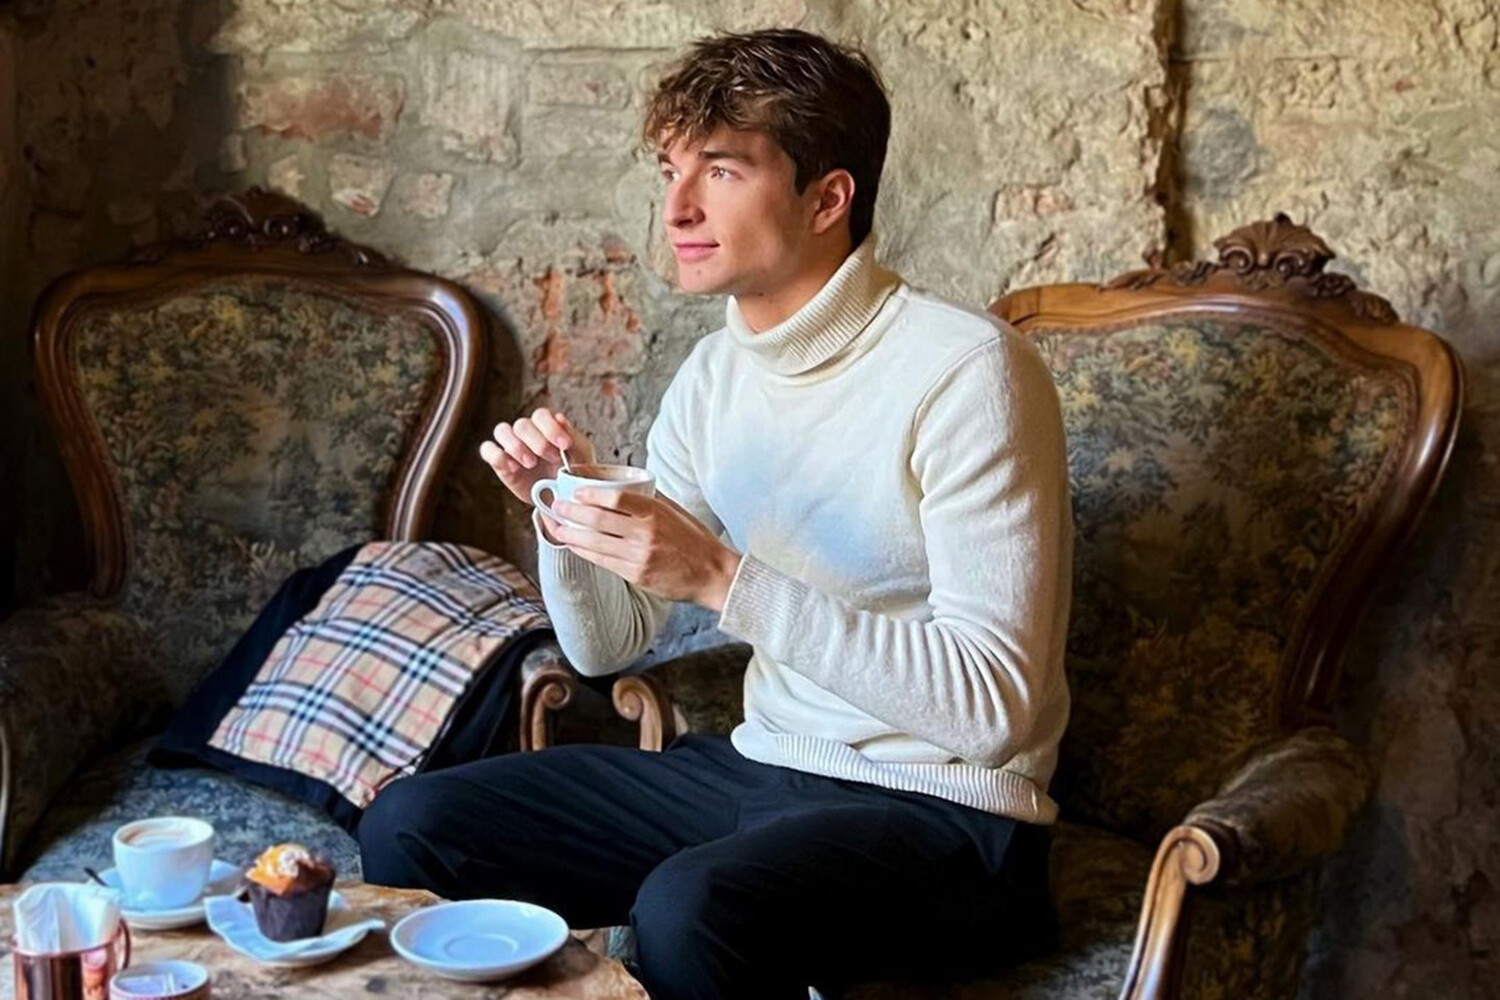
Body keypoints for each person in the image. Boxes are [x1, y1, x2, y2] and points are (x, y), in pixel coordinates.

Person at [358, 27, 1072, 1000]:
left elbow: (993, 711)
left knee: (690, 906)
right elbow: (608, 648)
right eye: (671, 170)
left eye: (723, 170)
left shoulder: (967, 371)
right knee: (412, 825)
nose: (678, 207)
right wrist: (566, 515)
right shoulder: (713, 376)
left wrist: (720, 578)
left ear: (827, 198)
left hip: (953, 817)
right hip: (762, 771)